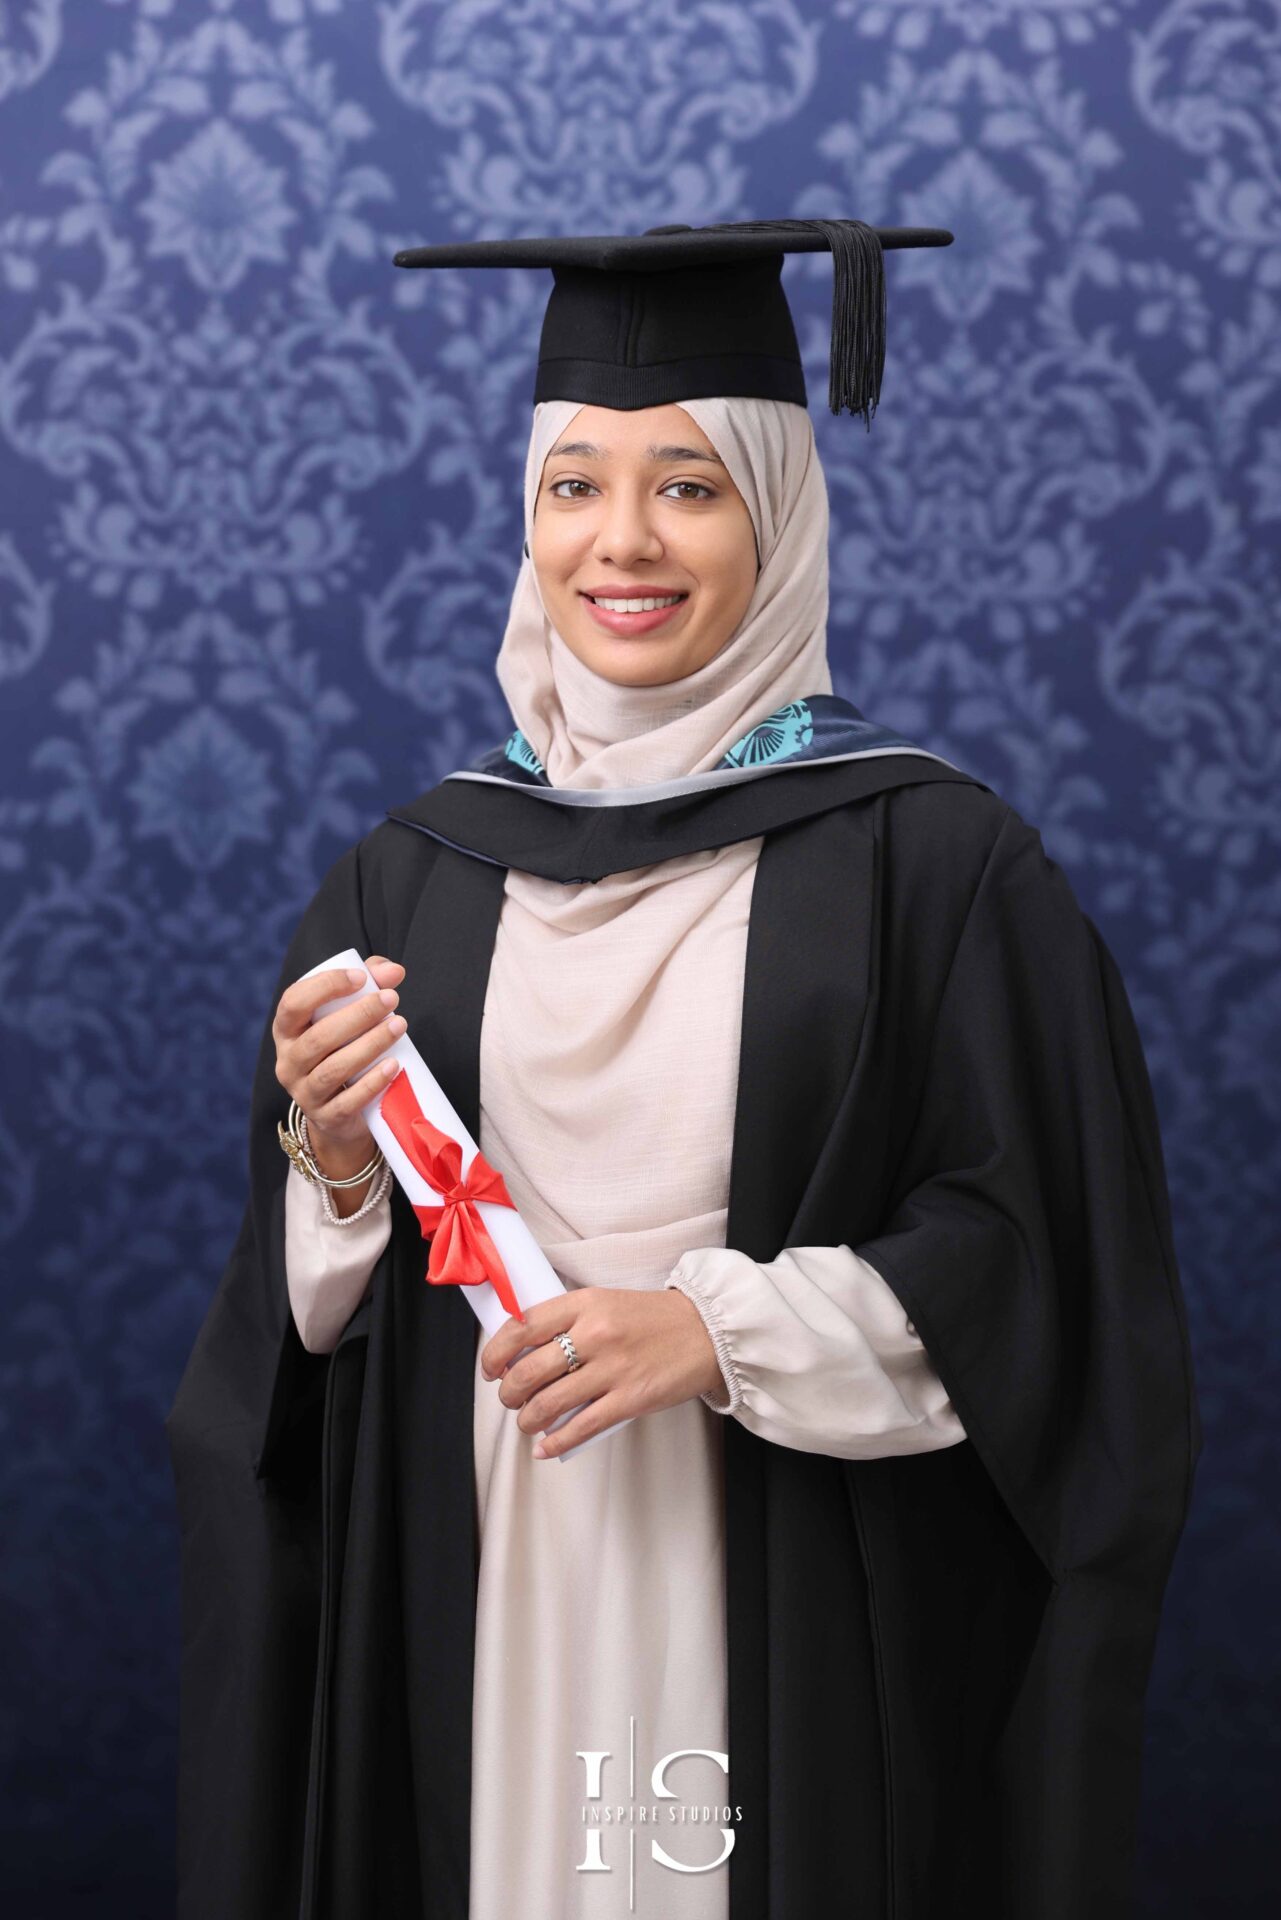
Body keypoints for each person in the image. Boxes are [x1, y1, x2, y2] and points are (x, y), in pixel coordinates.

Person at [165, 220, 1203, 1920]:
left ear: (778, 514)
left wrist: (714, 1332)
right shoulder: (411, 871)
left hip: (782, 1574)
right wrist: (333, 1161)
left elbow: (1045, 1274)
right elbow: (297, 1346)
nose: (621, 543)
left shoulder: (933, 863)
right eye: (573, 485)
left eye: (690, 487)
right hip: (485, 1566)